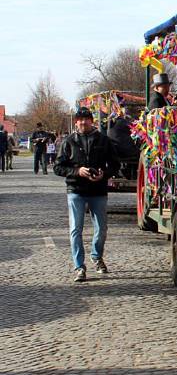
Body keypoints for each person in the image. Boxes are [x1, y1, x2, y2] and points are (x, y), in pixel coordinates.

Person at [54, 107, 120, 282]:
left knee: (102, 228)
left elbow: (115, 164)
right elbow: (58, 167)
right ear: (76, 122)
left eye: (86, 119)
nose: (83, 122)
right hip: (76, 190)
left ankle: (96, 256)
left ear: (92, 121)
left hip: (98, 190)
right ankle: (79, 267)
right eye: (80, 119)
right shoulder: (69, 142)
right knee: (76, 229)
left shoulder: (103, 140)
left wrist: (103, 174)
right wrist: (78, 171)